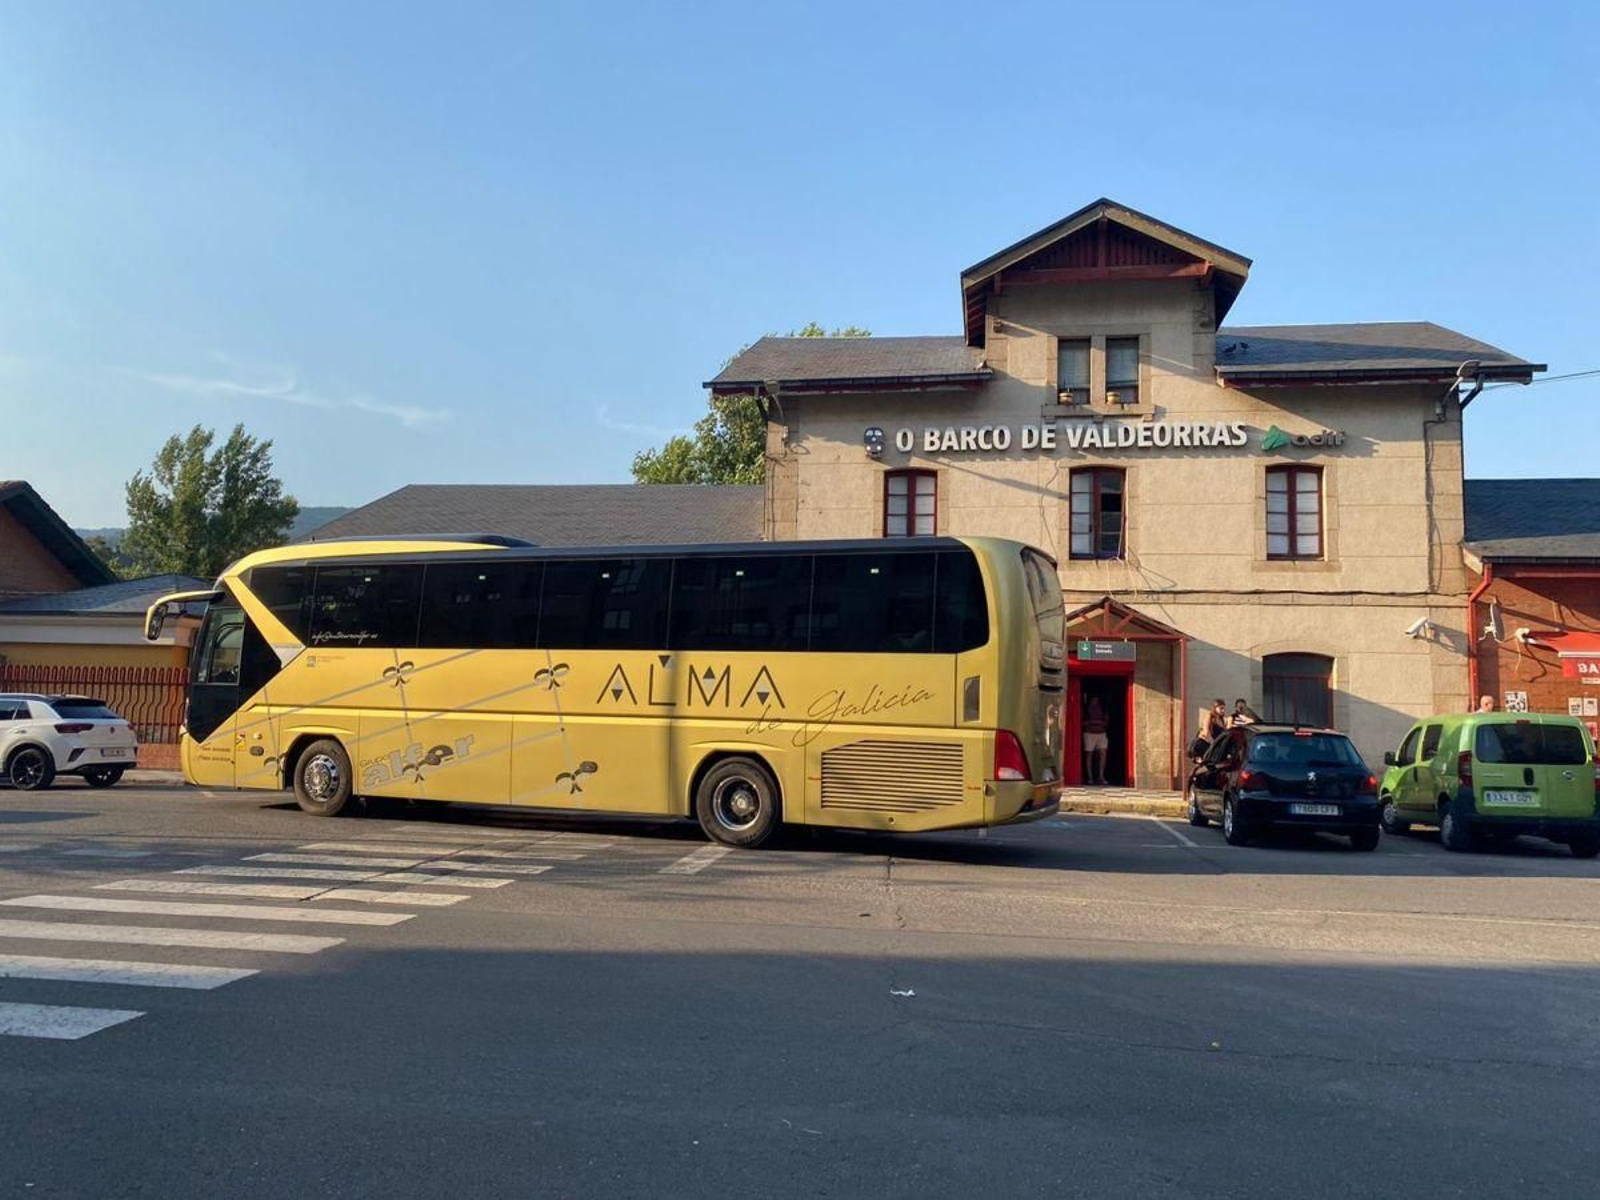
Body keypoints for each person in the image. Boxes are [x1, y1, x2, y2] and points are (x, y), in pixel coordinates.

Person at [1083, 695, 1109, 786]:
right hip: (1089, 733)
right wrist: (1095, 722)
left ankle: (1101, 776)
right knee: (1089, 754)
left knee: (1103, 753)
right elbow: (1083, 722)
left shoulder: (1103, 708)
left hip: (1101, 734)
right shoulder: (1085, 709)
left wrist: (1094, 722)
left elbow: (1106, 722)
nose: (1095, 700)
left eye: (1096, 699)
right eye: (1093, 699)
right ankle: (1090, 777)